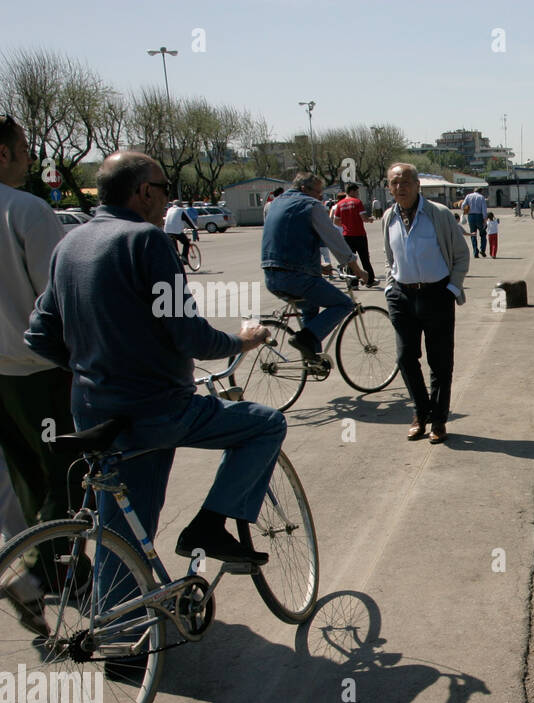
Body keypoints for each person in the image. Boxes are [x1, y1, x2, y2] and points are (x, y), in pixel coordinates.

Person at [26, 151, 283, 570]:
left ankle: (122, 617)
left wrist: (94, 367)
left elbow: (40, 335)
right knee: (266, 424)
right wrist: (241, 340)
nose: (168, 199)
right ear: (144, 192)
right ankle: (207, 527)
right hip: (153, 410)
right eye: (164, 189)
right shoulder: (146, 241)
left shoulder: (68, 244)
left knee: (122, 535)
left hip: (90, 411)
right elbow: (191, 336)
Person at [0, 115, 74, 627]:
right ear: (4, 154)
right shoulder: (27, 210)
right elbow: (58, 302)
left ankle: (40, 566)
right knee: (64, 477)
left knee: (26, 476)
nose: (31, 157)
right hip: (39, 370)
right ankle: (41, 572)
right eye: (25, 147)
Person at [382, 162, 470, 443]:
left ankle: (439, 420)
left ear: (418, 185)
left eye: (405, 182)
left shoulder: (438, 215)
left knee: (440, 362)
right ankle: (421, 413)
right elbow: (389, 258)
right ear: (389, 188)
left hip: (437, 295)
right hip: (402, 297)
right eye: (394, 183)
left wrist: (451, 289)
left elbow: (460, 255)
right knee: (405, 358)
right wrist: (389, 287)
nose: (400, 188)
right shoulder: (389, 218)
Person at [261, 171, 366, 360]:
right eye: (319, 192)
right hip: (297, 278)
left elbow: (286, 238)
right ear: (304, 189)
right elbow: (334, 239)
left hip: (271, 275)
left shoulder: (274, 204)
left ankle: (313, 358)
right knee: (344, 303)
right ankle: (304, 339)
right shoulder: (311, 205)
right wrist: (357, 269)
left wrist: (318, 266)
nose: (321, 197)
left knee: (310, 308)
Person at [332, 183, 376, 286]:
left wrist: (345, 224)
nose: (358, 194)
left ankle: (353, 282)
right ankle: (369, 280)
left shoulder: (340, 204)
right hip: (359, 235)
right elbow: (364, 218)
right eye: (356, 192)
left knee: (350, 260)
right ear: (351, 191)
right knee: (364, 258)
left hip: (347, 236)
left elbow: (336, 221)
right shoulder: (357, 202)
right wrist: (370, 220)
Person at [462, 187, 487, 258]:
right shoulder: (481, 197)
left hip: (471, 216)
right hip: (479, 216)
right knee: (483, 233)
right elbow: (484, 209)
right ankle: (482, 249)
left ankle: (475, 252)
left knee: (473, 234)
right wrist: (485, 219)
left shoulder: (468, 196)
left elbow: (462, 206)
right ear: (481, 191)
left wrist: (465, 211)